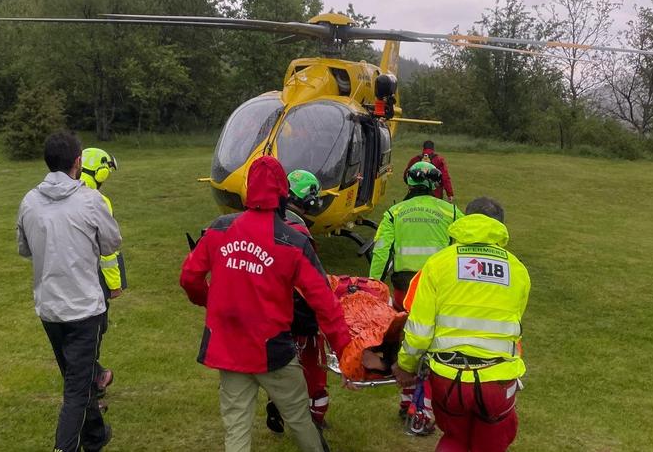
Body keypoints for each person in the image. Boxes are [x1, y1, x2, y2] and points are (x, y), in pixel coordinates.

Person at [179, 156, 351, 452]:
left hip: (229, 348)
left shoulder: (219, 229)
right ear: (283, 193)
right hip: (273, 351)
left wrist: (209, 300)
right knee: (298, 418)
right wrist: (345, 348)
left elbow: (189, 278)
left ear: (248, 190)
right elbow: (324, 301)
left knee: (236, 427)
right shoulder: (292, 242)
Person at [392, 197, 531, 452]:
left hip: (448, 378)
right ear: (500, 226)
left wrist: (406, 365)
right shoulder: (518, 270)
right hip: (497, 381)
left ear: (465, 220)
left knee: (454, 439)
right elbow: (514, 323)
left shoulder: (439, 263)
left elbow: (419, 329)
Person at [17, 131, 122, 452]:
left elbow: (25, 249)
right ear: (78, 162)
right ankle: (66, 446)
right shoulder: (91, 200)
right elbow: (111, 242)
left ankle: (95, 435)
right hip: (84, 310)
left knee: (76, 378)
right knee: (76, 389)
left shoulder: (29, 201)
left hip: (49, 308)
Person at [264, 170, 332, 432]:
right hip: (299, 312)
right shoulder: (299, 232)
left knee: (280, 365)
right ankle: (316, 416)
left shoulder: (266, 224)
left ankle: (277, 403)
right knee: (314, 368)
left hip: (270, 312)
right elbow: (312, 280)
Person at [370, 161, 463, 311]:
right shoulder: (451, 213)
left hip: (405, 288)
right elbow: (464, 247)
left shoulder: (394, 213)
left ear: (409, 182)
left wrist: (374, 285)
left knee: (404, 326)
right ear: (435, 185)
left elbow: (381, 252)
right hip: (439, 285)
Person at [79, 147, 126, 401]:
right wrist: (115, 284)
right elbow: (108, 251)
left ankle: (92, 375)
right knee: (96, 328)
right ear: (102, 171)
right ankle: (93, 379)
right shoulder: (99, 200)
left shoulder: (67, 192)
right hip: (92, 275)